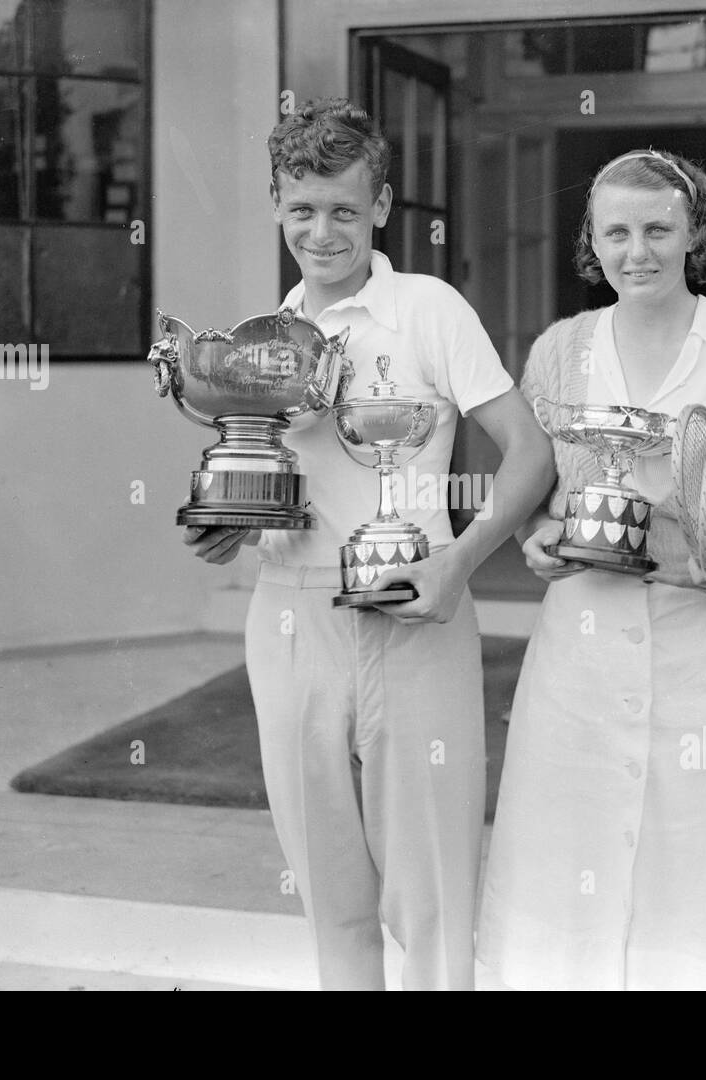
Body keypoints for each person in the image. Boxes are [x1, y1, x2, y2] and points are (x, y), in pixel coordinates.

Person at [182, 98, 553, 991]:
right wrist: (232, 526)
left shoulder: (429, 309)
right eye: (302, 209)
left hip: (413, 613)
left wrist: (459, 563)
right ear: (276, 203)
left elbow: (531, 454)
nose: (322, 230)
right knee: (329, 892)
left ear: (382, 208)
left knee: (432, 897)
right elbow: (263, 482)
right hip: (288, 620)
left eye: (345, 210)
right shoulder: (262, 339)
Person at [476, 149, 706, 990]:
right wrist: (539, 546)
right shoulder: (559, 351)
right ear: (591, 242)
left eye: (659, 229)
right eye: (616, 232)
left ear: (695, 233)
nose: (639, 252)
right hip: (579, 660)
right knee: (565, 873)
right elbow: (552, 506)